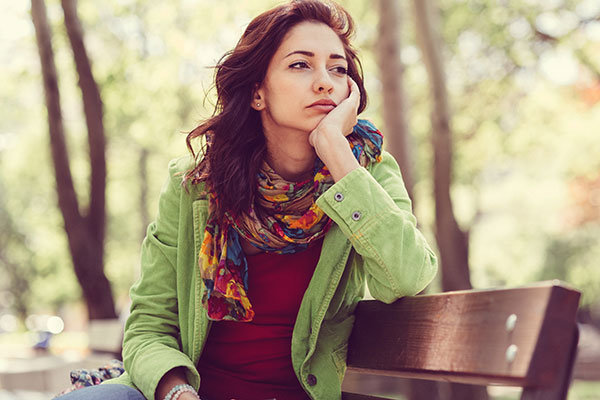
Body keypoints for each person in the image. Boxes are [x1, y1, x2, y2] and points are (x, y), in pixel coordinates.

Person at [56, 0, 437, 399]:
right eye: (300, 65)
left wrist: (336, 151)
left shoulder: (365, 172)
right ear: (257, 92)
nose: (325, 81)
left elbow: (408, 277)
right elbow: (149, 326)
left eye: (337, 68)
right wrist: (178, 393)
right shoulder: (196, 186)